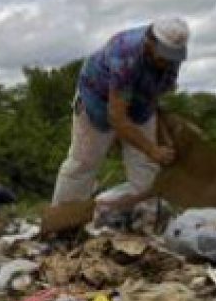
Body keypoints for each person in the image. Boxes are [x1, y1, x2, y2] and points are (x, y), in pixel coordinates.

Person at [51, 17, 189, 220]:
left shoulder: (172, 56)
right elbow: (117, 117)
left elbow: (156, 93)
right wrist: (151, 148)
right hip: (98, 102)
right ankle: (61, 219)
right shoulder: (125, 55)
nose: (168, 61)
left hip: (140, 105)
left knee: (146, 169)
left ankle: (142, 219)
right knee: (83, 164)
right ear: (150, 43)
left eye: (173, 57)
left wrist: (158, 141)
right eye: (164, 56)